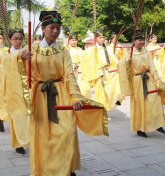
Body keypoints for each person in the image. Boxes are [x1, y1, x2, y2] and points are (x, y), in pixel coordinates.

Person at [8, 11, 108, 175]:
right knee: (43, 136)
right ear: (43, 28)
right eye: (51, 27)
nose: (55, 31)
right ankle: (45, 169)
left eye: (58, 28)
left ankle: (68, 168)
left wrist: (75, 96)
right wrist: (19, 56)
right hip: (39, 97)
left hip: (61, 94)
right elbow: (15, 71)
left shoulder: (63, 51)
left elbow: (69, 75)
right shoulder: (31, 50)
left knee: (67, 132)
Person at [118, 30, 165, 137]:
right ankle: (140, 128)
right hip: (137, 81)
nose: (141, 42)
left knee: (155, 99)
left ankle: (157, 123)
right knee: (140, 105)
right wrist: (127, 62)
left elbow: (152, 67)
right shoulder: (129, 54)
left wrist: (157, 81)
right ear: (134, 41)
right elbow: (120, 66)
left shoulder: (146, 52)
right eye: (139, 40)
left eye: (143, 40)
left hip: (148, 79)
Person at [0, 28, 30, 155]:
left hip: (26, 89)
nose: (18, 41)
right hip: (12, 90)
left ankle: (29, 139)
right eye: (15, 39)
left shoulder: (28, 52)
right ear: (10, 40)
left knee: (28, 117)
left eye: (20, 38)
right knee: (15, 117)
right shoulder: (3, 55)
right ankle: (18, 143)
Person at [81, 30, 124, 110]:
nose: (102, 39)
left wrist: (121, 66)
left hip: (107, 73)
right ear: (96, 38)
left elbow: (114, 60)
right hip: (98, 74)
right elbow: (84, 58)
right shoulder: (91, 49)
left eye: (103, 38)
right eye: (100, 37)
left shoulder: (107, 49)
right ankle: (101, 109)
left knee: (113, 89)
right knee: (100, 93)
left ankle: (113, 101)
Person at [65, 32, 91, 98]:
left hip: (78, 70)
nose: (74, 42)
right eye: (72, 40)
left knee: (80, 87)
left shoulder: (80, 50)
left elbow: (85, 60)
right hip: (68, 70)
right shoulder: (65, 49)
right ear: (69, 40)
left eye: (75, 40)